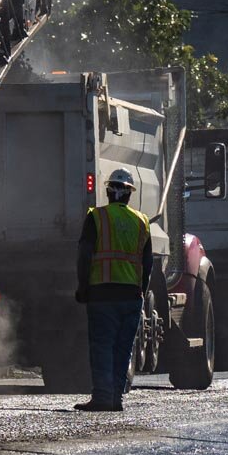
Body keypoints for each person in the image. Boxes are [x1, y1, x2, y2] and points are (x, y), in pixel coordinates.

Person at [74, 167, 153, 412]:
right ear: (130, 194)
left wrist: (82, 286)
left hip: (102, 294)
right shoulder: (141, 221)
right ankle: (115, 398)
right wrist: (142, 292)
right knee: (122, 349)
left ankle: (102, 398)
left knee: (102, 347)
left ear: (108, 191)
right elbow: (147, 263)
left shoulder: (96, 217)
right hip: (131, 296)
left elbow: (84, 255)